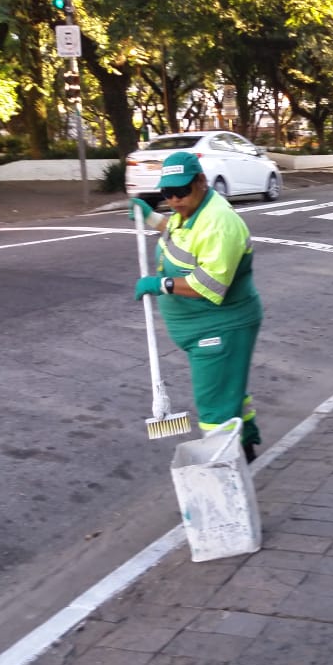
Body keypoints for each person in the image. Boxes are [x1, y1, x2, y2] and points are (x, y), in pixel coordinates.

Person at [130, 152, 264, 462]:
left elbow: (211, 286)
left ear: (201, 182)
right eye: (167, 193)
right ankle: (245, 445)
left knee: (215, 407)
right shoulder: (191, 211)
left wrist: (160, 284)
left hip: (220, 329)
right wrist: (150, 217)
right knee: (230, 391)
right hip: (205, 329)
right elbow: (181, 237)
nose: (175, 200)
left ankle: (224, 475)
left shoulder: (219, 223)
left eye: (181, 191)